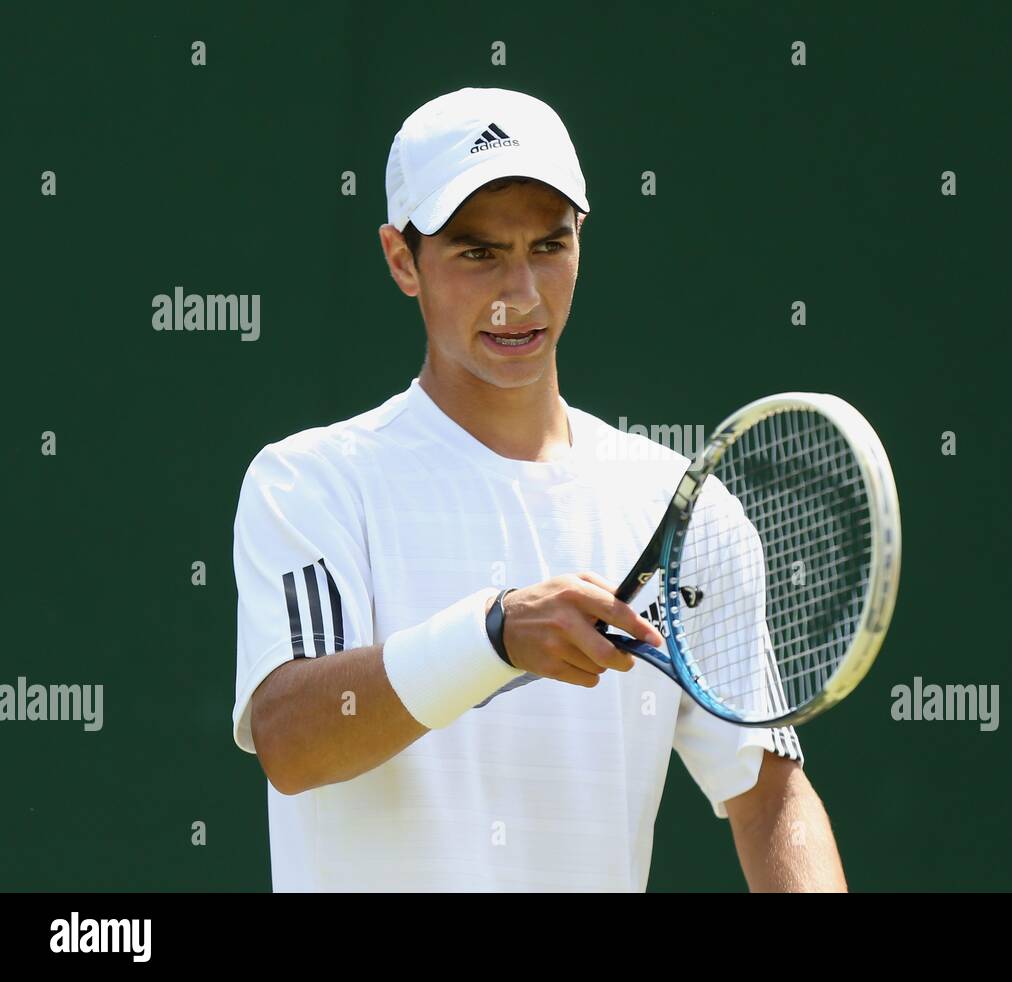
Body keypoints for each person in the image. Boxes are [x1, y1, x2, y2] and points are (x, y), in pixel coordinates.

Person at [230, 86, 847, 892]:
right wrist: (493, 638)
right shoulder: (310, 482)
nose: (520, 294)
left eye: (548, 247)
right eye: (477, 253)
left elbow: (767, 792)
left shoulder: (681, 508)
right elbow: (293, 741)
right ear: (399, 259)